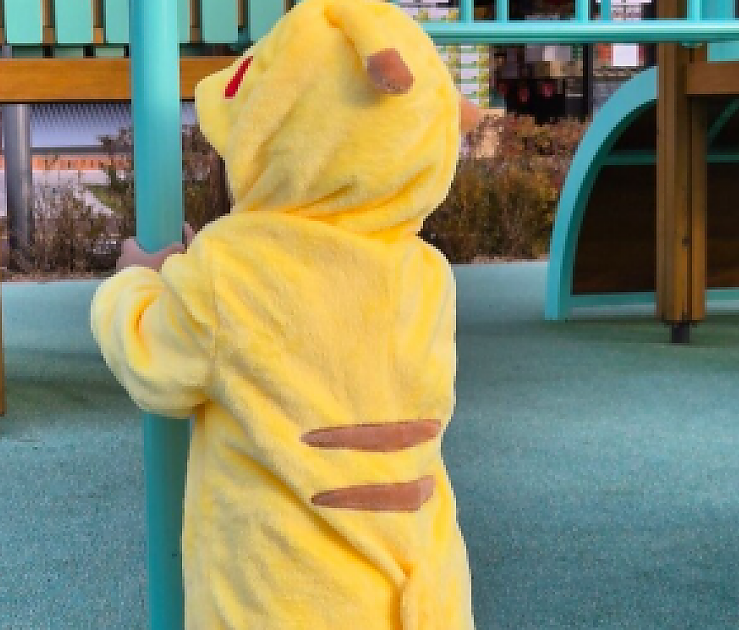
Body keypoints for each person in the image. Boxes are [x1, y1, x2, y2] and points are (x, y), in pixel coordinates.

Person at [91, 1, 480, 628]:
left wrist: (133, 282)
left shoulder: (234, 269)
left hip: (284, 595)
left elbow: (155, 361)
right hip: (420, 586)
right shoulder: (427, 274)